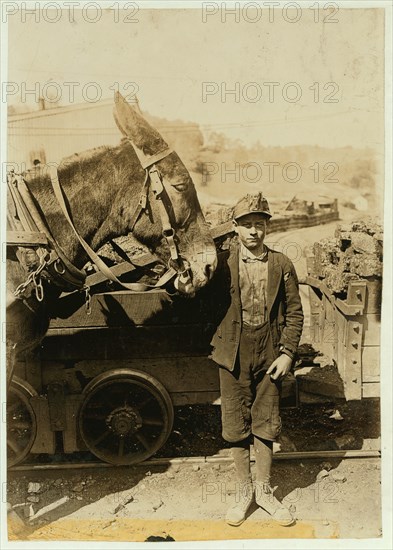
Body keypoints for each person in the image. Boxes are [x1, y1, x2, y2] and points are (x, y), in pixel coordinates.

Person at [210, 191, 304, 527]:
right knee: (236, 424)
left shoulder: (281, 263)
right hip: (233, 351)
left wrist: (288, 353)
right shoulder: (221, 265)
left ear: (267, 228)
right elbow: (198, 300)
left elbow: (294, 311)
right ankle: (243, 494)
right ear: (234, 228)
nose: (254, 231)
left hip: (270, 350)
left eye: (259, 224)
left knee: (266, 420)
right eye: (247, 225)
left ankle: (264, 493)